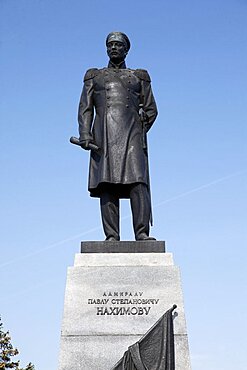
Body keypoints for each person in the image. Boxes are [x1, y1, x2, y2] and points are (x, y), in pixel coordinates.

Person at [78, 32, 158, 241]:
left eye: (118, 45)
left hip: (132, 135)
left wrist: (140, 127)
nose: (113, 48)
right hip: (103, 136)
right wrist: (85, 134)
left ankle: (141, 233)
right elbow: (86, 108)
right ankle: (112, 236)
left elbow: (151, 109)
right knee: (107, 184)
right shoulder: (94, 76)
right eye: (110, 45)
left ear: (126, 49)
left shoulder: (139, 76)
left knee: (138, 183)